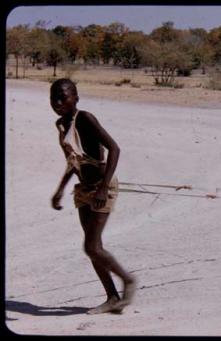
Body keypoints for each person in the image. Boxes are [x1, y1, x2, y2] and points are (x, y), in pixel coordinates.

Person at [50, 78, 136, 314]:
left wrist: (103, 188)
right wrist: (60, 189)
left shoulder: (85, 118)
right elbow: (73, 161)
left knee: (91, 246)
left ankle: (128, 280)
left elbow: (114, 149)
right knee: (93, 246)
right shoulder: (60, 124)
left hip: (101, 187)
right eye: (54, 98)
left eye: (63, 97)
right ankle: (112, 298)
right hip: (83, 190)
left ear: (76, 98)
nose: (58, 102)